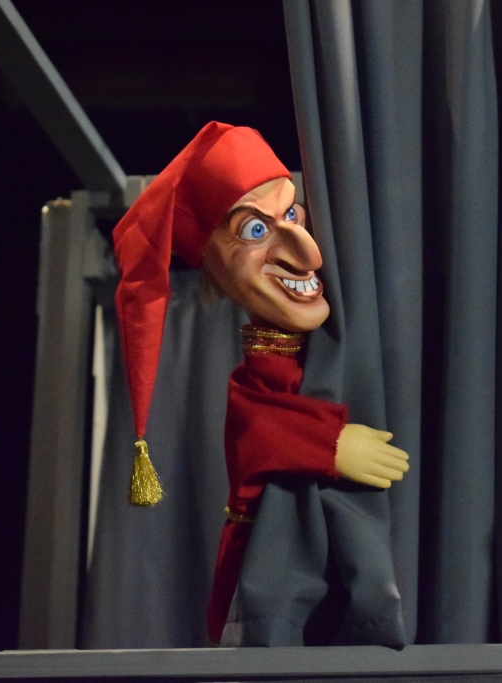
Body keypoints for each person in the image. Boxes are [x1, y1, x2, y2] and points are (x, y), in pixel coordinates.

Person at [112, 121, 409, 646]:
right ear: (215, 271)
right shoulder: (254, 375)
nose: (307, 252)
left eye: (292, 214)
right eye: (255, 231)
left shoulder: (350, 344)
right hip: (271, 578)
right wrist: (331, 445)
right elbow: (255, 429)